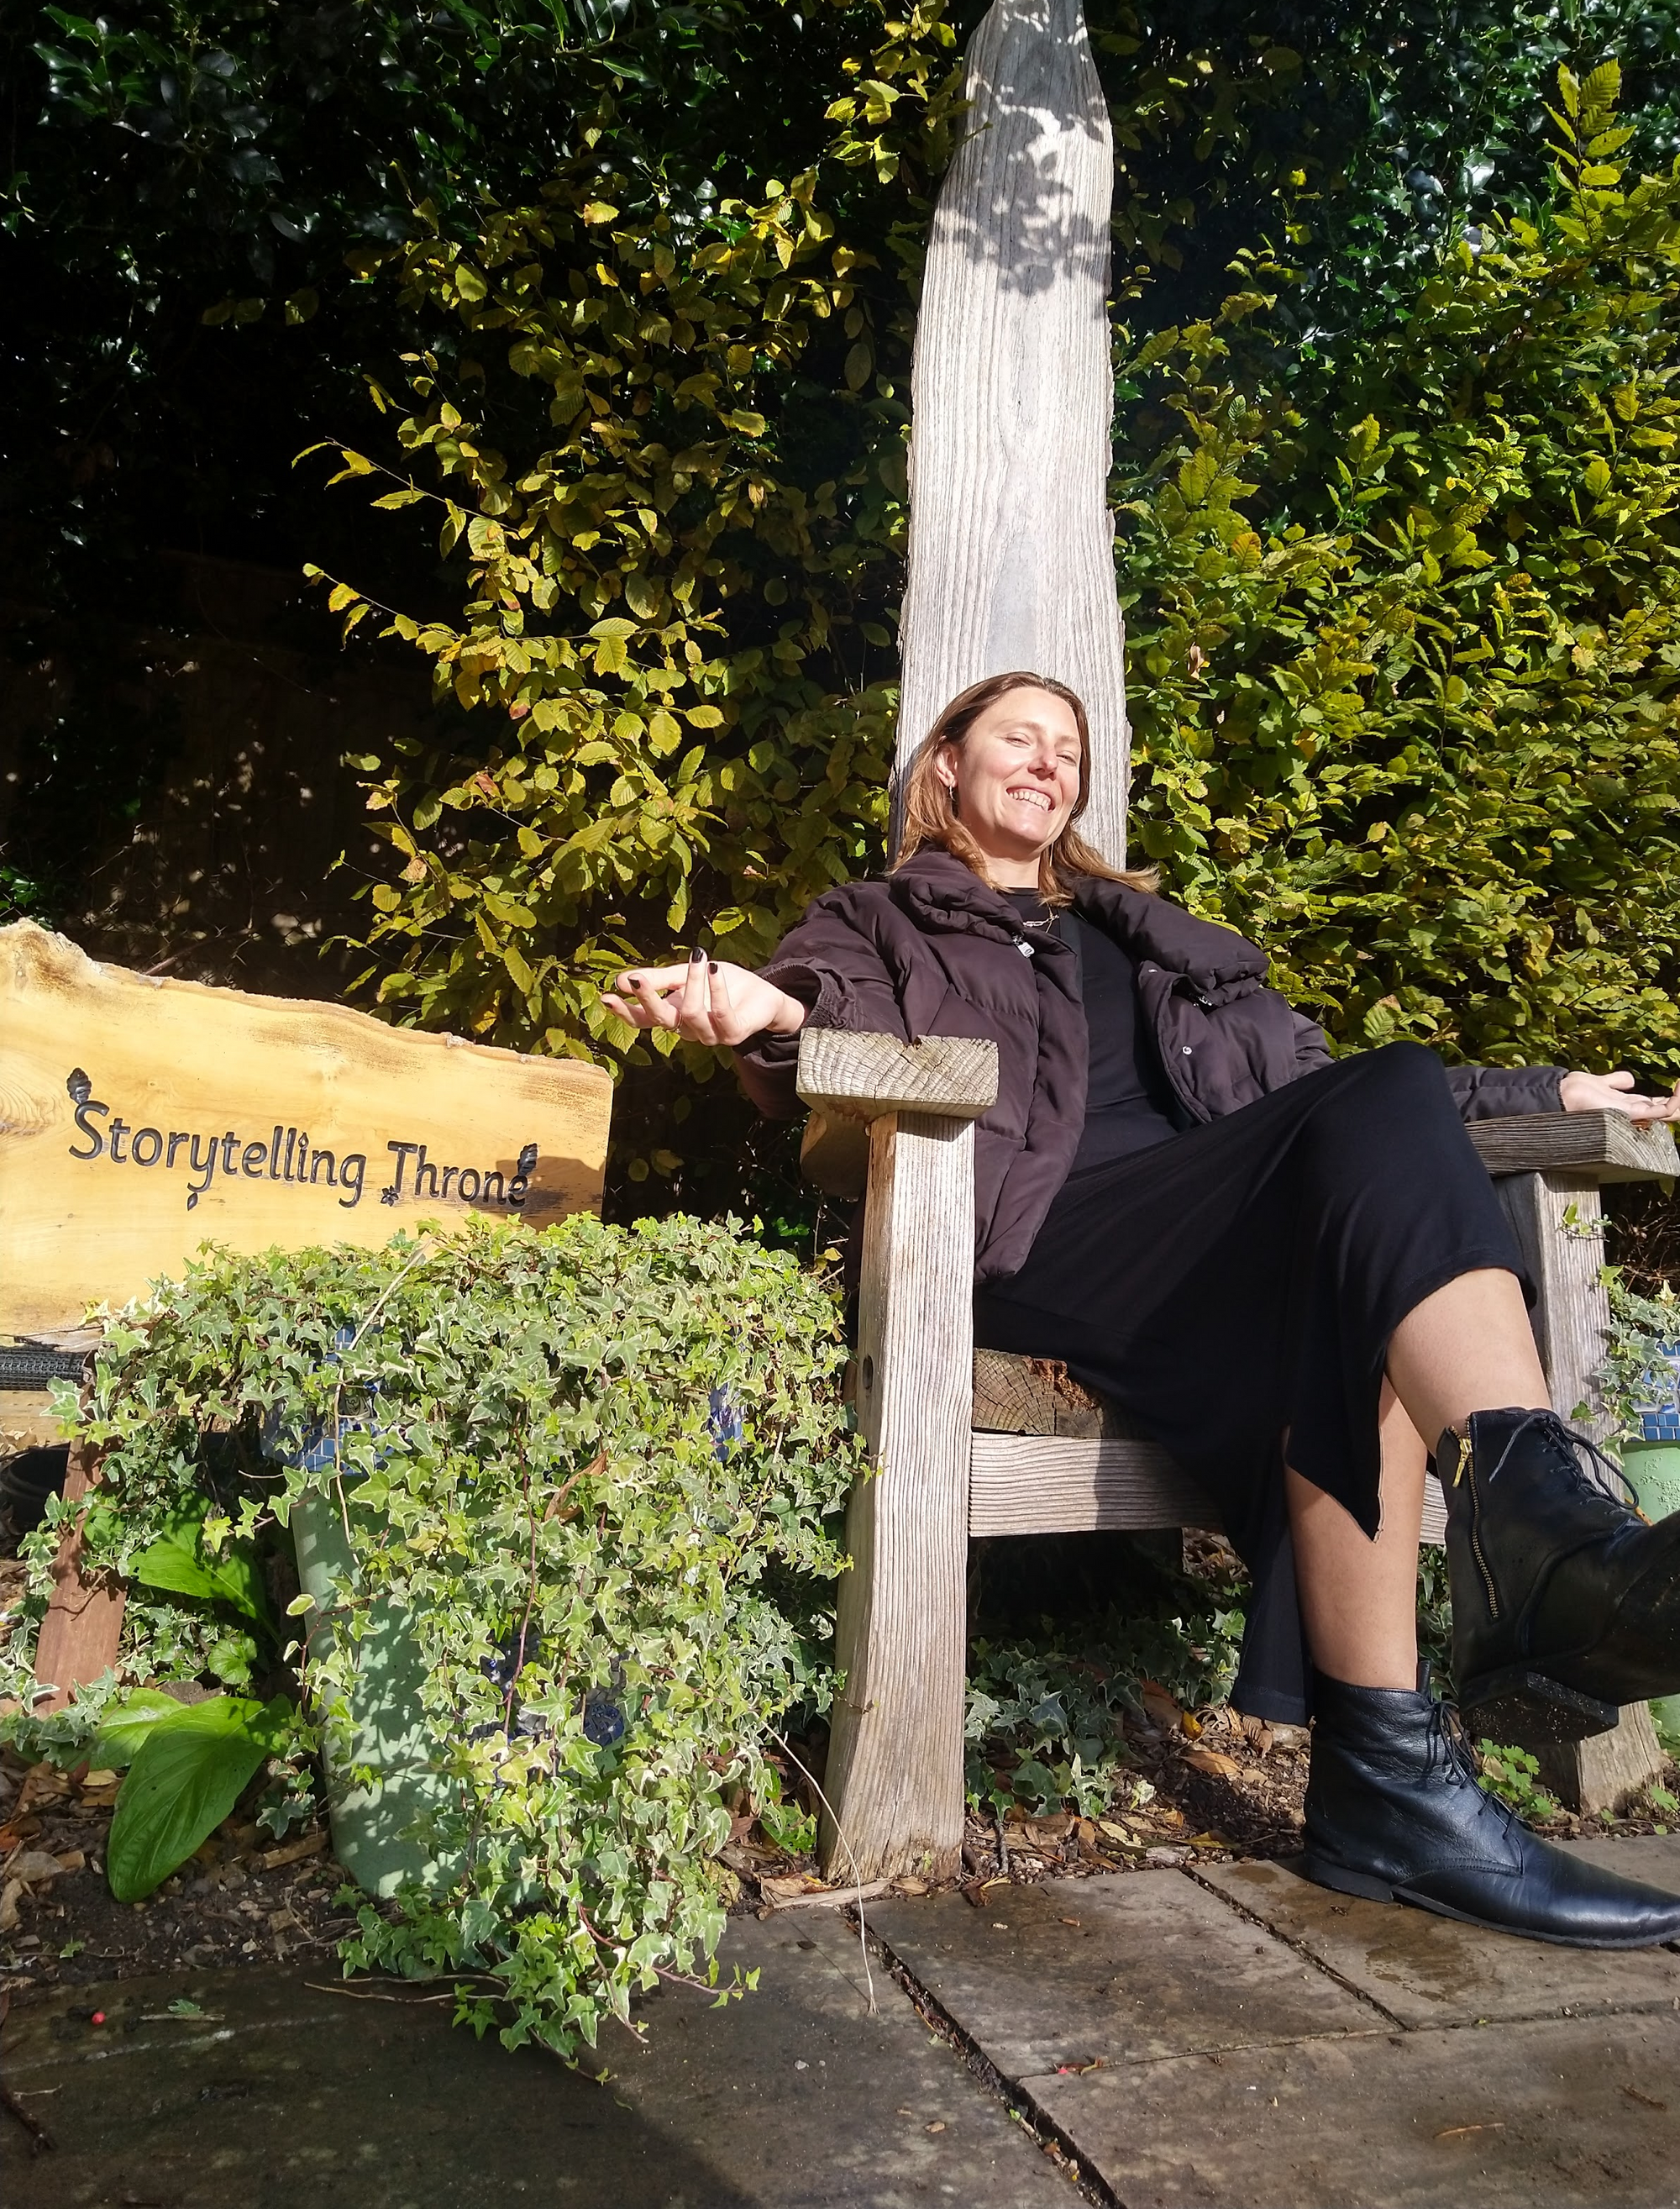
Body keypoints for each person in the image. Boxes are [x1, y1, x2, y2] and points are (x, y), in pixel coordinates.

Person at [605, 669, 1680, 1949]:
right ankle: (1551, 1561)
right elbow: (816, 1016)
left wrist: (1538, 1084)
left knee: (1376, 1206)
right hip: (1047, 1230)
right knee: (1363, 1224)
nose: (1050, 763)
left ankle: (1392, 1777)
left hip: (1213, 1235)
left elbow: (1344, 1096)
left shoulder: (1152, 934)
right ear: (945, 763)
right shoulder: (885, 915)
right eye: (1020, 737)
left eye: (1070, 750)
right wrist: (762, 1013)